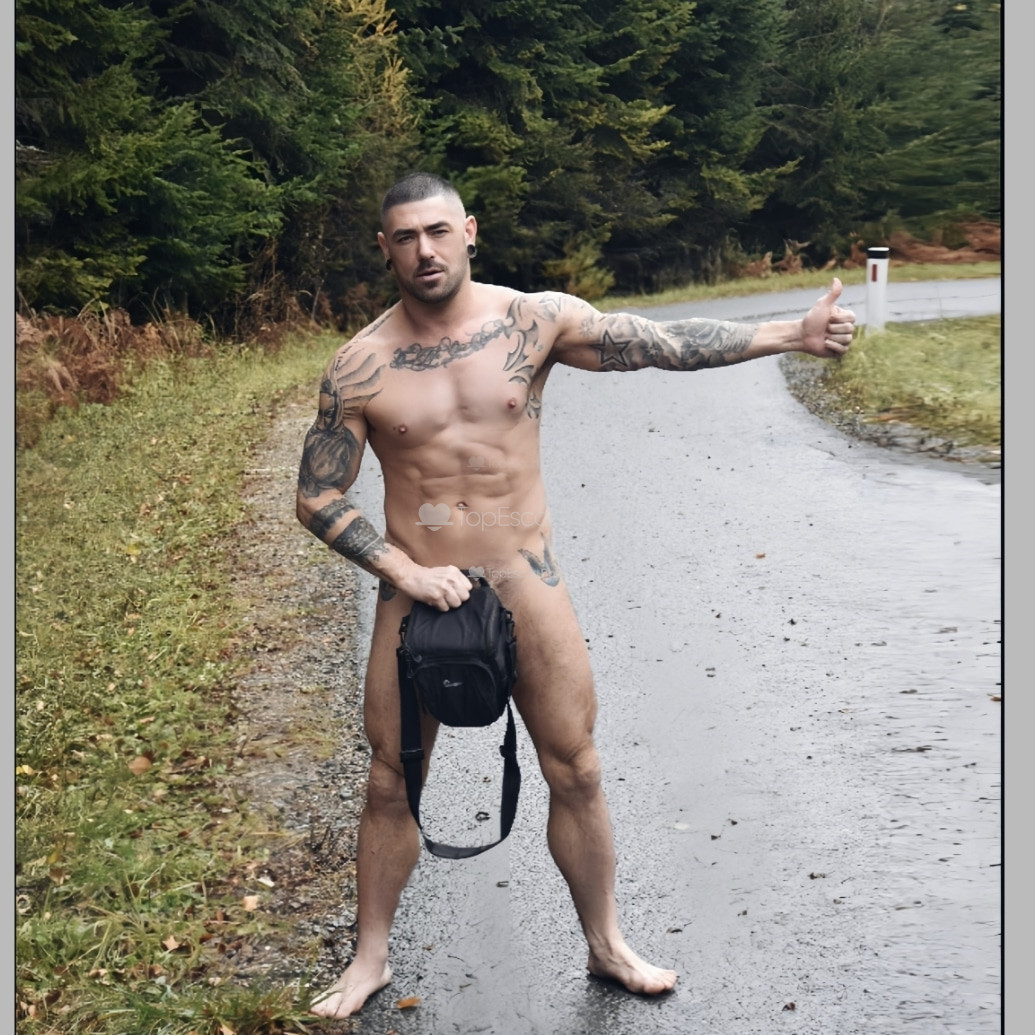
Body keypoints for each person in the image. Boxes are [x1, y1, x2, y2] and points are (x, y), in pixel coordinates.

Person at [296, 171, 856, 1018]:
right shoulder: (359, 364)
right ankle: (369, 956)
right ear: (385, 248)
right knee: (388, 780)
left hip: (525, 578)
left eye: (438, 231)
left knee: (577, 768)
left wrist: (791, 333)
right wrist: (402, 571)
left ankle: (606, 942)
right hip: (418, 593)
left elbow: (658, 343)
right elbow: (315, 495)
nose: (424, 250)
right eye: (405, 237)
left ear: (469, 231)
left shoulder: (533, 320)